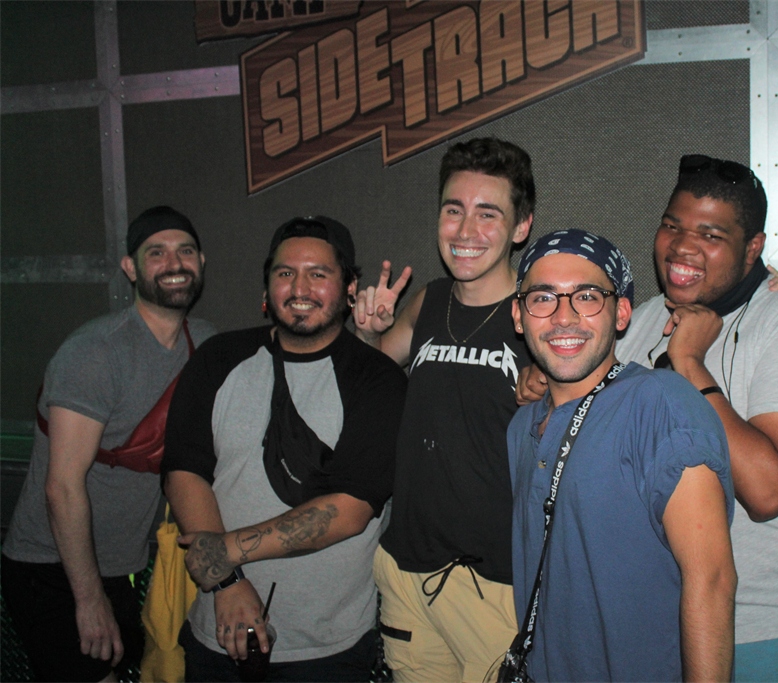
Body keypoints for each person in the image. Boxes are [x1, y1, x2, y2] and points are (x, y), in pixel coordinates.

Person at [519, 155, 778, 680]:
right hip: (663, 630)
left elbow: (767, 490)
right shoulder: (640, 321)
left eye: (711, 234)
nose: (682, 247)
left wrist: (690, 363)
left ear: (753, 248)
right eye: (672, 226)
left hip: (773, 627)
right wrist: (546, 382)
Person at [161, 216, 407, 682]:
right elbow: (183, 471)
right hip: (215, 635)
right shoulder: (217, 358)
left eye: (319, 273)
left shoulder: (378, 381)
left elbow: (349, 510)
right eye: (285, 272)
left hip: (326, 650)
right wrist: (227, 583)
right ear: (267, 286)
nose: (299, 288)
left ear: (349, 288)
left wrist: (225, 554)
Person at [507, 229, 736, 681]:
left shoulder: (661, 404)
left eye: (587, 297)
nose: (564, 317)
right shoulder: (521, 427)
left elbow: (711, 581)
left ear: (622, 312)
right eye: (543, 298)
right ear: (519, 315)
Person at [1, 206, 214, 682]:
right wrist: (89, 598)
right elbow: (62, 487)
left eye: (185, 251)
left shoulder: (203, 342)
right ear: (130, 268)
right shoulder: (95, 353)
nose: (174, 263)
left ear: (201, 262)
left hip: (120, 567)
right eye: (156, 253)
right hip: (52, 568)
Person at [352, 138, 533, 681]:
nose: (465, 231)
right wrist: (367, 332)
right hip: (407, 572)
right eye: (454, 210)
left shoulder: (541, 313)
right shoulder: (428, 301)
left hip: (496, 582)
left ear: (521, 227)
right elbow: (368, 384)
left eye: (488, 214)